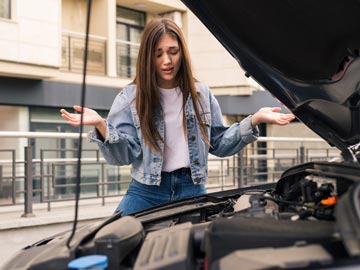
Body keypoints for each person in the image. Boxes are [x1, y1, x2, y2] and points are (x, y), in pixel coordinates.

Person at [60, 18, 294, 216]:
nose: (167, 61)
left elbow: (219, 143)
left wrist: (254, 119)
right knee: (112, 243)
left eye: (173, 52)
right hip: (146, 192)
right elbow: (123, 156)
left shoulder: (201, 94)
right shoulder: (130, 97)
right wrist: (101, 125)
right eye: (158, 54)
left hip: (192, 190)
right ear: (147, 57)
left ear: (182, 51)